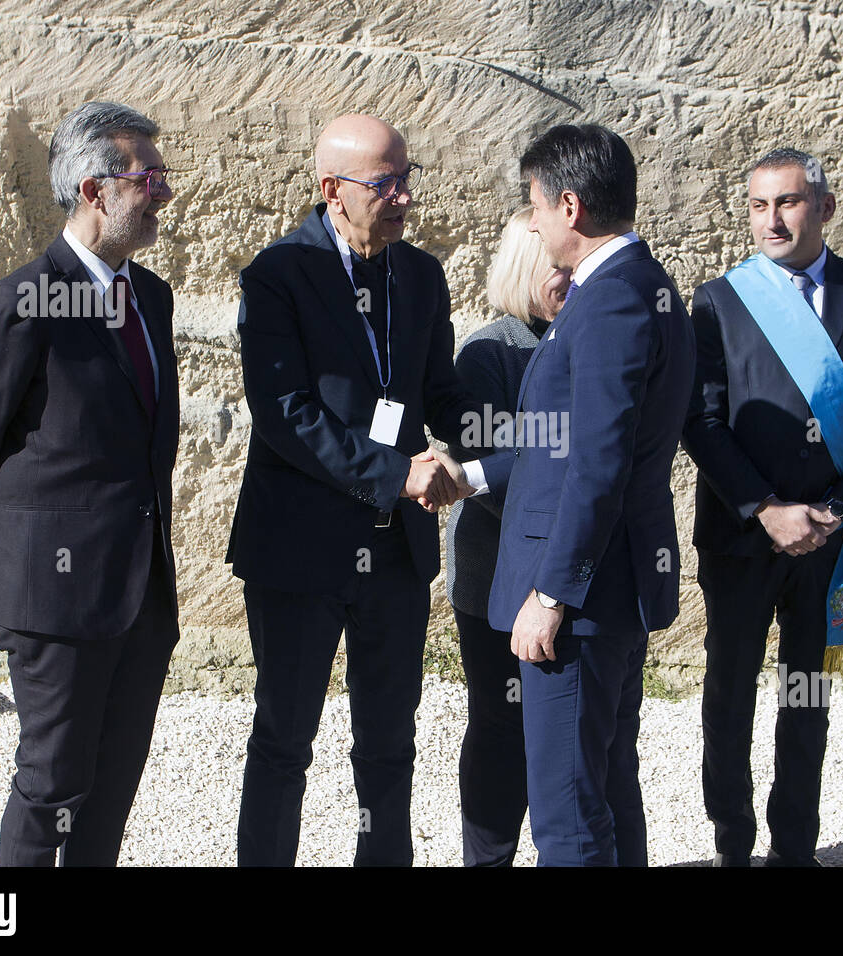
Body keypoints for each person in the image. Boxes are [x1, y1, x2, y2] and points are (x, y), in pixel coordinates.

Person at [226, 113, 480, 867]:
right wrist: (395, 473)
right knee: (283, 738)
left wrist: (507, 436)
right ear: (332, 189)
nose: (403, 196)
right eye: (385, 183)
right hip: (300, 552)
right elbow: (284, 416)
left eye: (407, 178)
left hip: (395, 554)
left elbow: (439, 392)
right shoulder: (277, 277)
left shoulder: (420, 275)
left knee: (389, 741)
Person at [0, 101, 180, 866]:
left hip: (139, 593)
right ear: (93, 189)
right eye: (148, 178)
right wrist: (24, 545)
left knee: (111, 788)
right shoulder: (25, 299)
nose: (163, 193)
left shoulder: (152, 298)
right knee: (53, 788)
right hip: (54, 594)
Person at [459, 123, 695, 866]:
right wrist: (466, 476)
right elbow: (561, 451)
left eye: (534, 204)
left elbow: (599, 463)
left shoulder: (610, 302)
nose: (530, 222)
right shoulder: (646, 289)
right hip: (614, 590)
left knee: (566, 809)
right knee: (607, 784)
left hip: (583, 603)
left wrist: (553, 593)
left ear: (569, 206)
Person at [682, 147, 843, 867]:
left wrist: (841, 509)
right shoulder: (719, 299)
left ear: (825, 208)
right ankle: (733, 845)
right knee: (729, 695)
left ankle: (795, 848)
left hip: (829, 541)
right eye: (758, 205)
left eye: (787, 202)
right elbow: (702, 420)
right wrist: (766, 508)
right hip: (744, 538)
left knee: (808, 697)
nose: (771, 219)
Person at [444, 206, 570, 866]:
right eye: (558, 266)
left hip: (572, 574)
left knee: (566, 732)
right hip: (499, 574)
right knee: (501, 725)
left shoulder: (585, 339)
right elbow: (489, 472)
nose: (572, 275)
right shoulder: (489, 352)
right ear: (526, 266)